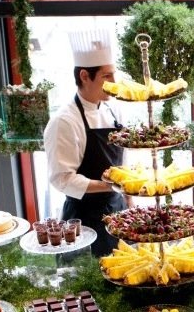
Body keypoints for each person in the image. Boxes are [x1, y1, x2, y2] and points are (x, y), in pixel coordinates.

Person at [44, 29, 133, 257]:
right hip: (83, 220)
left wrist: (128, 199)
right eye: (107, 76)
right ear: (85, 76)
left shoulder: (114, 110)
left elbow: (122, 163)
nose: (115, 82)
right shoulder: (64, 121)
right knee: (86, 288)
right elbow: (62, 179)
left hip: (117, 211)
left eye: (114, 74)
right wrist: (113, 185)